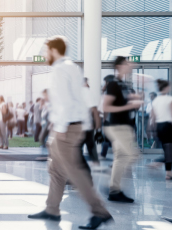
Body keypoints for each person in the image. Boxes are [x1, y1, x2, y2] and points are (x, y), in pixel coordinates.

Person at [27, 36, 113, 229]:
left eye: (45, 50)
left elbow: (64, 102)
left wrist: (61, 128)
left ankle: (100, 212)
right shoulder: (72, 67)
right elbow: (81, 98)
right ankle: (52, 209)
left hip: (67, 128)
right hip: (72, 125)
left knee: (74, 172)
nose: (43, 53)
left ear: (53, 50)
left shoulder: (59, 70)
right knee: (56, 170)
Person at [100, 56, 144, 203]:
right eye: (126, 63)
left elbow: (131, 103)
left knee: (122, 158)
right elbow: (106, 107)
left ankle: (114, 191)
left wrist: (136, 100)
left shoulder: (124, 85)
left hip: (126, 126)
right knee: (132, 156)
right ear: (119, 66)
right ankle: (109, 178)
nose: (130, 65)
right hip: (117, 126)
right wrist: (130, 105)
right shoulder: (113, 84)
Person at [148, 79, 172, 180]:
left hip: (159, 126)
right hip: (169, 126)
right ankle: (157, 162)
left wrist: (151, 129)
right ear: (166, 87)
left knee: (167, 149)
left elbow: (152, 117)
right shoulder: (171, 99)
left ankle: (169, 173)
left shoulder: (155, 100)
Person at [80, 78, 102, 168]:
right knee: (90, 144)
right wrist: (98, 125)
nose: (88, 85)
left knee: (84, 145)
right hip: (86, 125)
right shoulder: (85, 91)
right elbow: (94, 109)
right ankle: (95, 163)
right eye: (87, 83)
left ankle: (82, 167)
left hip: (80, 125)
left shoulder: (77, 92)